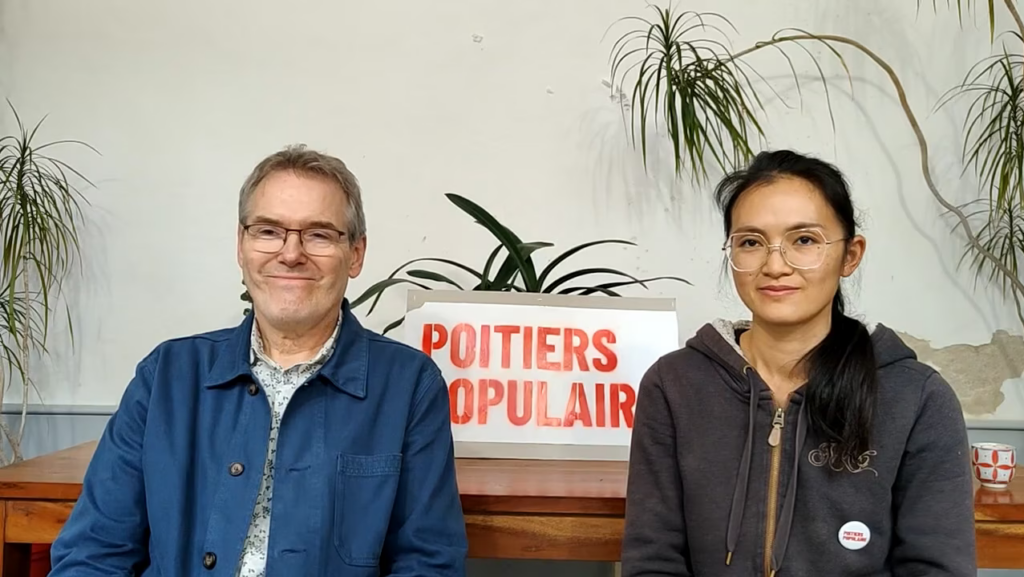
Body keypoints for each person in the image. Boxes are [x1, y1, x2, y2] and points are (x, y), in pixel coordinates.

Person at [49, 144, 468, 576]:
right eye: (268, 231)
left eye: (319, 234)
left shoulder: (409, 386)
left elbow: (429, 564)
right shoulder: (166, 377)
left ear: (356, 254)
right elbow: (93, 553)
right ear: (241, 245)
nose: (291, 253)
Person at [620, 150, 976, 576]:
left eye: (804, 240)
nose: (775, 265)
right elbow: (653, 559)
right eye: (750, 242)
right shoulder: (674, 384)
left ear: (850, 255)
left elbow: (936, 567)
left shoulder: (917, 398)